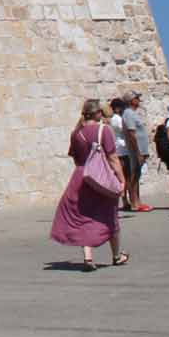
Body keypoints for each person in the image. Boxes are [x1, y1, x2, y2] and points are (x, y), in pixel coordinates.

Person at [50, 99, 127, 269]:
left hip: (82, 177)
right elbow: (113, 158)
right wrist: (121, 179)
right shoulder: (104, 130)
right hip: (102, 177)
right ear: (98, 113)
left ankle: (88, 257)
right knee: (109, 215)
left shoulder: (76, 133)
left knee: (85, 215)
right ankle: (116, 255)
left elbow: (76, 157)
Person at [115, 96, 152, 212]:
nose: (139, 99)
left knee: (136, 175)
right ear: (131, 100)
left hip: (139, 150)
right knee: (133, 176)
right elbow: (132, 134)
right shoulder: (128, 114)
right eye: (136, 97)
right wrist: (138, 152)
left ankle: (137, 201)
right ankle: (134, 203)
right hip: (136, 151)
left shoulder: (131, 113)